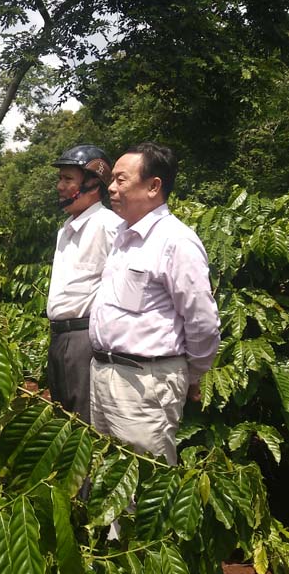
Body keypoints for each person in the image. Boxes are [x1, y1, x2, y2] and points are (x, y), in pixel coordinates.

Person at [89, 141, 221, 465]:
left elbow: (202, 321)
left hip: (144, 383)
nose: (111, 187)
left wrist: (191, 374)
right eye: (112, 179)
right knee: (106, 474)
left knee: (142, 481)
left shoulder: (176, 241)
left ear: (153, 186)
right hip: (104, 374)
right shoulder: (123, 237)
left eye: (121, 179)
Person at [46, 144, 120, 422]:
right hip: (59, 337)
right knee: (61, 421)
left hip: (84, 338)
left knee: (84, 424)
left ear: (93, 183)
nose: (60, 186)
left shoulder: (108, 225)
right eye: (60, 178)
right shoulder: (65, 230)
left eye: (68, 179)